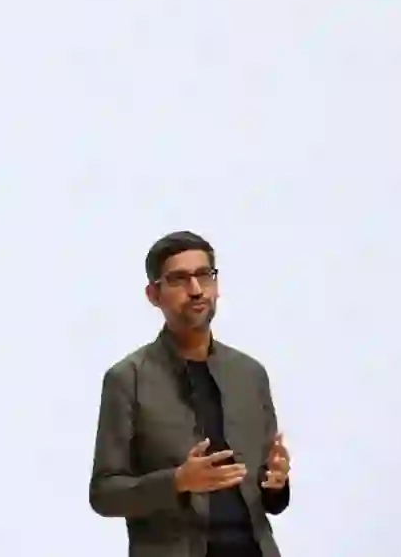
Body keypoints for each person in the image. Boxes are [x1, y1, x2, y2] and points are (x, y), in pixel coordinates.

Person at [88, 231, 291, 557]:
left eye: (204, 275)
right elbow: (104, 493)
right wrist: (177, 481)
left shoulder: (250, 374)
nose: (196, 289)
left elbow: (270, 500)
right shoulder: (128, 379)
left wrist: (277, 483)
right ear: (153, 294)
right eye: (179, 279)